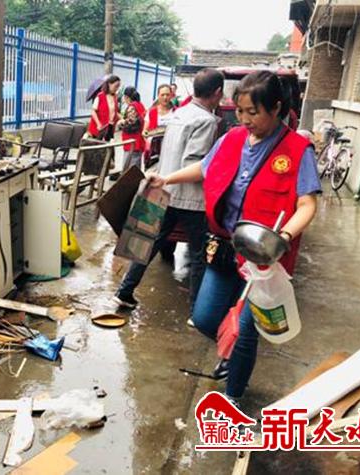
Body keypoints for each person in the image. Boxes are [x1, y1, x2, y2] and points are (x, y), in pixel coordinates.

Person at [146, 70, 321, 403]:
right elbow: (204, 168)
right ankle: (230, 353)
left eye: (253, 112)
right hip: (225, 246)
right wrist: (166, 179)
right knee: (205, 318)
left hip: (264, 259)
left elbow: (307, 204)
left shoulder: (298, 150)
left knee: (245, 332)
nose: (244, 119)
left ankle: (233, 395)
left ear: (276, 108)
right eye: (240, 111)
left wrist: (283, 236)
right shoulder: (232, 139)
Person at [114, 69, 224, 311]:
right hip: (190, 199)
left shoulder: (178, 114)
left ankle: (124, 291)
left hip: (164, 190)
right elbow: (195, 163)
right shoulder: (205, 121)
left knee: (150, 244)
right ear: (217, 92)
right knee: (198, 255)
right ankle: (196, 309)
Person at [118, 86, 146, 170]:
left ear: (126, 97)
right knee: (135, 166)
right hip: (138, 140)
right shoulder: (140, 105)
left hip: (132, 141)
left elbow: (131, 124)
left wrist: (122, 123)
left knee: (129, 168)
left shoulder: (132, 107)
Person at [87, 75, 121, 141]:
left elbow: (114, 112)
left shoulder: (115, 97)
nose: (117, 88)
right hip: (99, 128)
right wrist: (98, 124)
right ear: (109, 84)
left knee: (108, 145)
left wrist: (122, 119)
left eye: (118, 87)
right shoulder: (100, 96)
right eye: (116, 86)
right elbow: (93, 111)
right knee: (97, 145)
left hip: (109, 127)